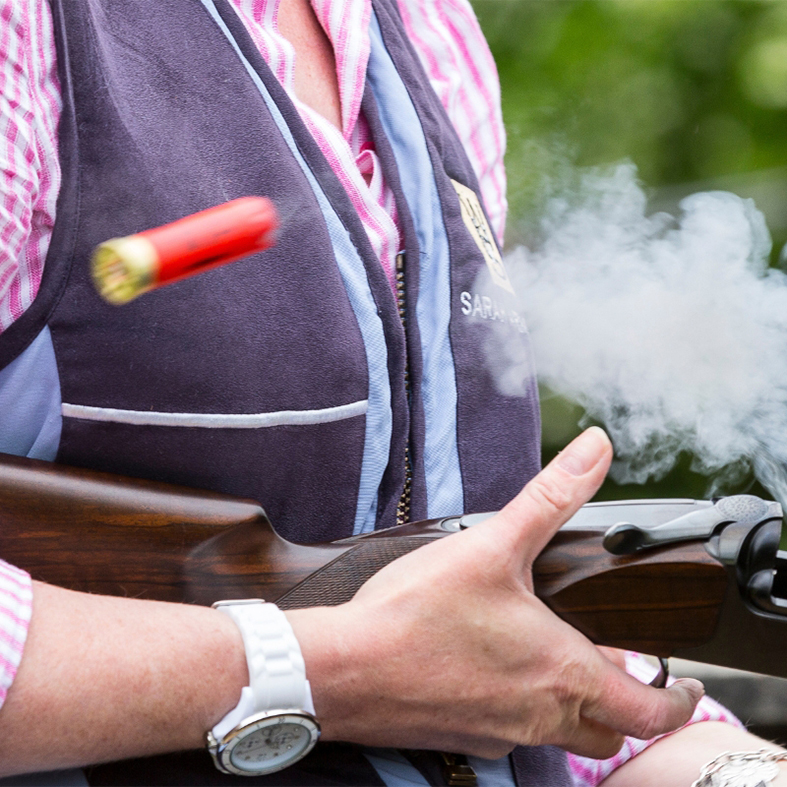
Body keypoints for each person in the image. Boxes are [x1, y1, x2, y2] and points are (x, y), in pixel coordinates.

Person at [0, 0, 782, 785]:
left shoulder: (430, 23)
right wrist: (337, 668)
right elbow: (413, 661)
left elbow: (491, 670)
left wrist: (728, 766)